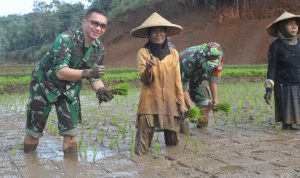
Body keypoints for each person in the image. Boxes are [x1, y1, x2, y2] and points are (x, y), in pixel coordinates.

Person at [23, 8, 114, 154]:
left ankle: (72, 170)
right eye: (94, 23)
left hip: (69, 88)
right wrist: (87, 73)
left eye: (102, 25)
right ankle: (29, 162)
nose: (98, 28)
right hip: (44, 84)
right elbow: (60, 72)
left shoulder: (98, 48)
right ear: (84, 22)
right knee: (33, 134)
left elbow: (95, 76)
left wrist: (101, 90)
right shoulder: (66, 39)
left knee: (71, 136)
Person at [130, 12, 185, 155]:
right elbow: (145, 80)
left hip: (170, 102)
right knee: (142, 145)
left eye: (161, 31)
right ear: (149, 34)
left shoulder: (173, 53)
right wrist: (148, 68)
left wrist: (181, 102)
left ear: (166, 33)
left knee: (173, 145)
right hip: (149, 102)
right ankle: (141, 165)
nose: (158, 34)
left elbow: (177, 80)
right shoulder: (143, 52)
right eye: (154, 31)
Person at [265, 12, 300, 130]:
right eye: (290, 24)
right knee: (287, 118)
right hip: (284, 84)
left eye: (295, 24)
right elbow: (272, 67)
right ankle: (287, 127)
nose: (294, 27)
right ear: (282, 27)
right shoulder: (276, 46)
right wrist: (268, 89)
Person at [180, 42, 224, 130]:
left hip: (199, 78)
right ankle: (182, 131)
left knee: (205, 105)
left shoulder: (219, 56)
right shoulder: (188, 59)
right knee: (182, 109)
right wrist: (190, 106)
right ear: (202, 57)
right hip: (179, 78)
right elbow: (183, 85)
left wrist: (215, 98)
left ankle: (202, 132)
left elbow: (214, 76)